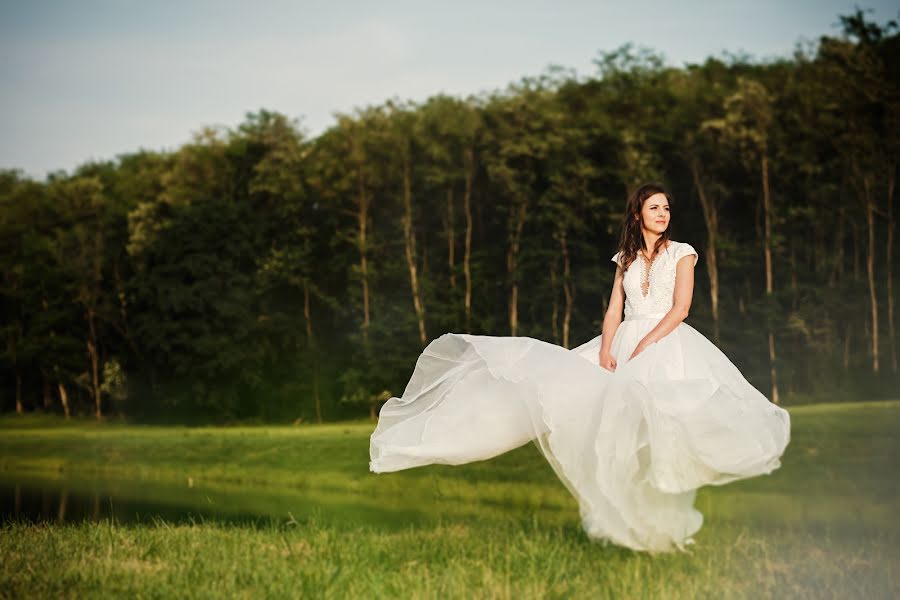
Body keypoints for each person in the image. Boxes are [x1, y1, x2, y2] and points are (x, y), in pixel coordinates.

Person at [368, 182, 791, 553]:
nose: (663, 214)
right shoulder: (624, 257)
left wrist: (647, 342)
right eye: (654, 207)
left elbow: (681, 308)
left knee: (657, 433)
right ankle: (627, 524)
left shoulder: (683, 253)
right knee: (591, 421)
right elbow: (613, 309)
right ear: (638, 214)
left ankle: (662, 526)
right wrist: (608, 349)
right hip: (622, 343)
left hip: (665, 343)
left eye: (666, 208)